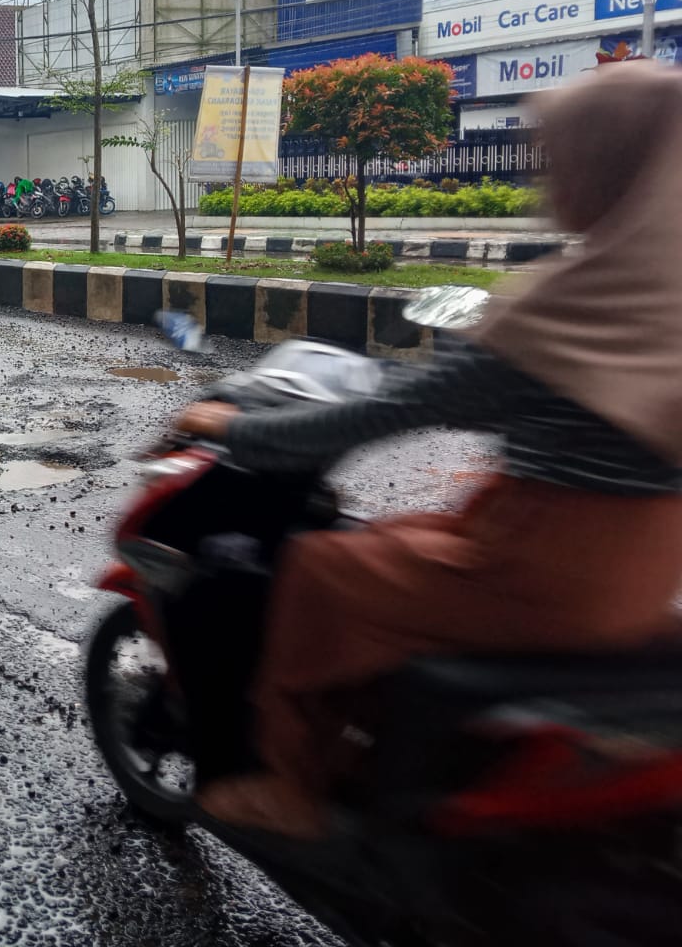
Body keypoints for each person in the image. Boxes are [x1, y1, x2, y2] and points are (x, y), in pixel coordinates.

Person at [175, 61, 682, 838]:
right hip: (642, 589)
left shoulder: (576, 302)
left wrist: (235, 429)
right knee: (395, 535)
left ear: (608, 163)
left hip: (535, 571)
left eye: (561, 157)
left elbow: (387, 416)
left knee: (317, 565)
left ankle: (292, 787)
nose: (546, 180)